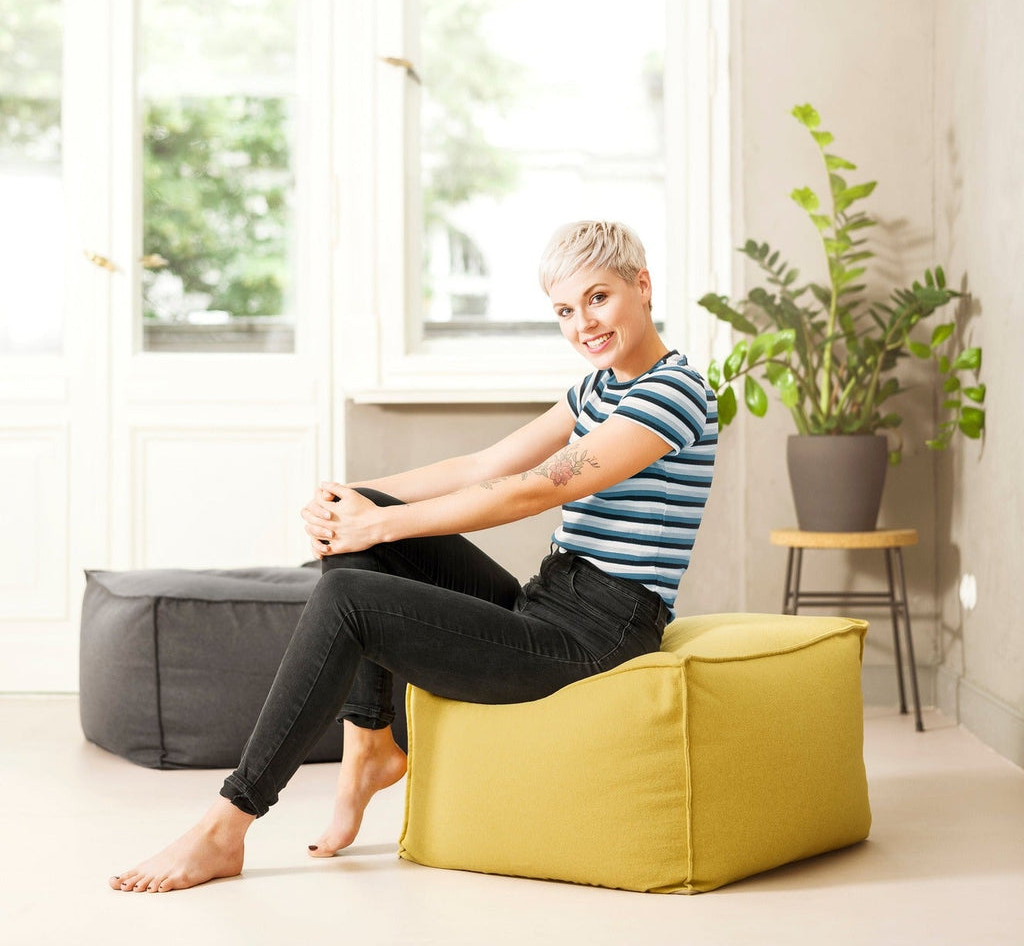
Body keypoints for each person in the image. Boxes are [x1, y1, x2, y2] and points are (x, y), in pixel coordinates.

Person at [109, 219, 718, 893]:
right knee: (368, 511)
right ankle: (371, 742)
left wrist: (378, 526)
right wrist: (356, 500)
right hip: (549, 600)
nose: (584, 324)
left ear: (643, 286)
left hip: (599, 636)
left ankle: (227, 825)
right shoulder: (599, 389)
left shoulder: (675, 391)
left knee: (351, 593)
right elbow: (485, 464)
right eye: (566, 311)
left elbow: (531, 490)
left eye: (598, 298)